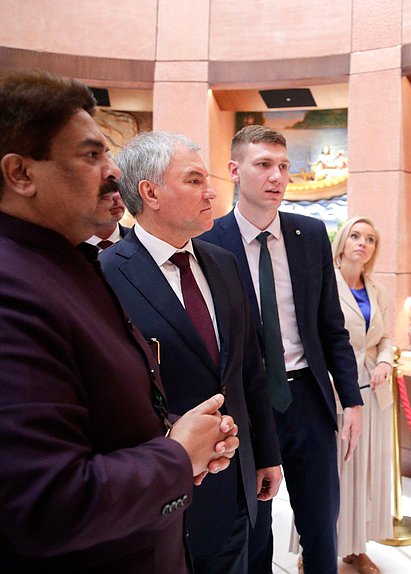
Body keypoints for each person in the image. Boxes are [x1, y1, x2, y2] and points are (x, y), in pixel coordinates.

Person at [0, 70, 239, 573]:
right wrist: (177, 457)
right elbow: (46, 501)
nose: (113, 172)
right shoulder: (14, 290)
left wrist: (180, 435)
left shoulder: (63, 263)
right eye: (91, 155)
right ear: (21, 174)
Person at [100, 131, 283, 574]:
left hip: (233, 483)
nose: (213, 191)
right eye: (195, 179)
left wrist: (266, 454)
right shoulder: (105, 274)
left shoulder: (223, 262)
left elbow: (248, 368)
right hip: (159, 494)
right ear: (150, 192)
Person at [200, 125, 363, 574]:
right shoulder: (207, 242)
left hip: (308, 396)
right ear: (235, 171)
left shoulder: (310, 235)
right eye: (263, 165)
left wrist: (351, 399)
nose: (277, 176)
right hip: (247, 407)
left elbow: (332, 327)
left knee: (319, 523)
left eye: (284, 166)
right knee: (254, 528)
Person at [331, 217, 395, 573]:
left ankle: (356, 547)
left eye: (370, 238)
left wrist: (385, 360)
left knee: (366, 473)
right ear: (342, 243)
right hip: (336, 391)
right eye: (355, 236)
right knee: (333, 473)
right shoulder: (326, 285)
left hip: (375, 391)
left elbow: (387, 337)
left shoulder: (378, 290)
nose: (362, 243)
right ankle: (314, 547)